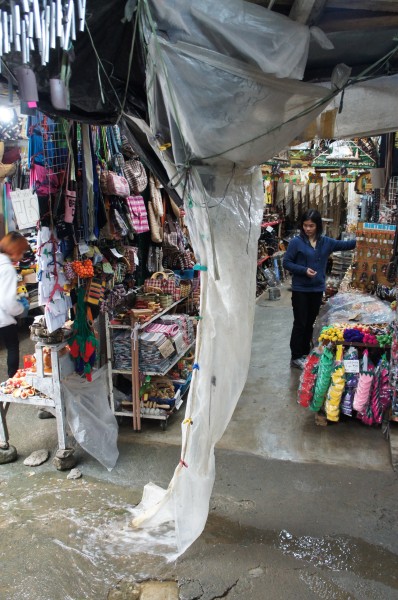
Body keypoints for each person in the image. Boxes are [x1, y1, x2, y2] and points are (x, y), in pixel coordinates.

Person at [283, 209, 356, 369]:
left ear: (318, 226)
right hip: (301, 289)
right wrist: (303, 270)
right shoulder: (297, 242)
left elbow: (347, 245)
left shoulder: (325, 242)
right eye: (305, 225)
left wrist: (364, 236)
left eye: (311, 226)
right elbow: (286, 262)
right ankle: (296, 356)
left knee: (310, 323)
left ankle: (305, 353)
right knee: (300, 323)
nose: (308, 229)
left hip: (316, 289)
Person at [0, 231, 30, 378]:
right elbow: (7, 302)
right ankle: (12, 383)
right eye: (22, 251)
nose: (22, 256)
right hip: (3, 319)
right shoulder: (7, 269)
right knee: (12, 347)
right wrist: (21, 308)